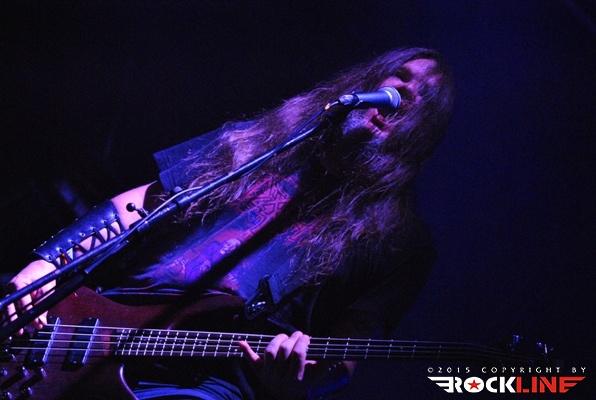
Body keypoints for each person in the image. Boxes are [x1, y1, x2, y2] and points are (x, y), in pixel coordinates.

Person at [4, 47, 454, 399]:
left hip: (210, 382)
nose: (409, 92)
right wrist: (44, 269)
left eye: (427, 99)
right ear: (369, 82)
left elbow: (347, 355)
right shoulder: (265, 141)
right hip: (99, 319)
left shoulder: (400, 243)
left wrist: (297, 384)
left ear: (425, 136)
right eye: (402, 76)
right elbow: (135, 206)